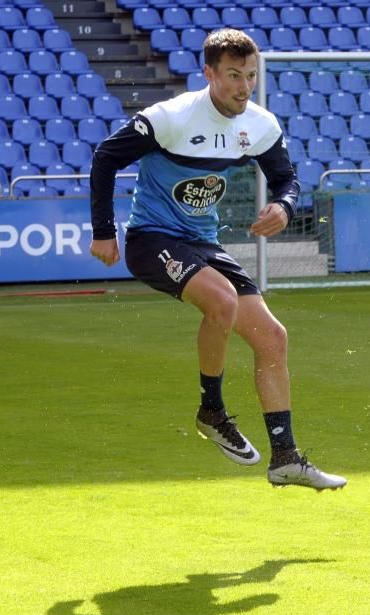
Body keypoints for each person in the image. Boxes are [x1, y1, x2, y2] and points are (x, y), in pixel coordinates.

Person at [89, 29, 346, 491]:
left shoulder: (261, 124)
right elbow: (106, 157)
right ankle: (212, 410)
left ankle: (286, 457)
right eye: (232, 75)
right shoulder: (170, 118)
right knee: (223, 302)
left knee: (272, 336)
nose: (244, 86)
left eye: (250, 75)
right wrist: (105, 232)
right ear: (209, 74)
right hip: (152, 239)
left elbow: (287, 179)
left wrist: (283, 208)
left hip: (202, 242)